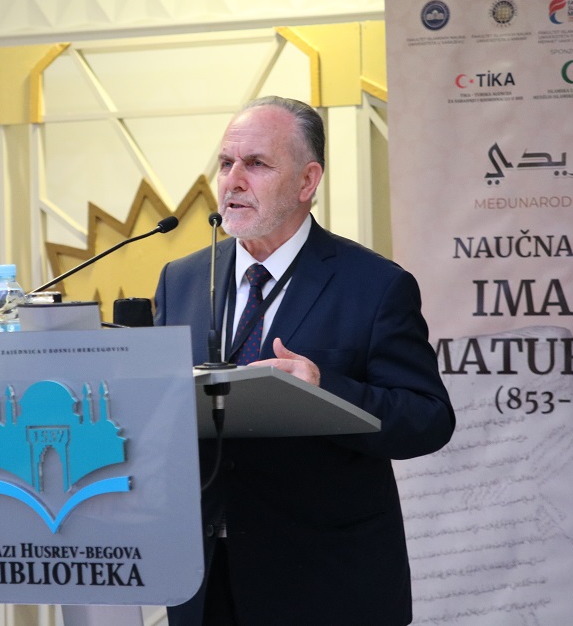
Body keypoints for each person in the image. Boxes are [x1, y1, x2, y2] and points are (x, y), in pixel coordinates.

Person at [153, 96, 455, 625]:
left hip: (324, 582)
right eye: (226, 163)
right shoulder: (181, 279)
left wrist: (323, 388)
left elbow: (427, 419)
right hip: (203, 580)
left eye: (256, 164)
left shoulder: (374, 285)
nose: (233, 181)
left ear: (307, 181)